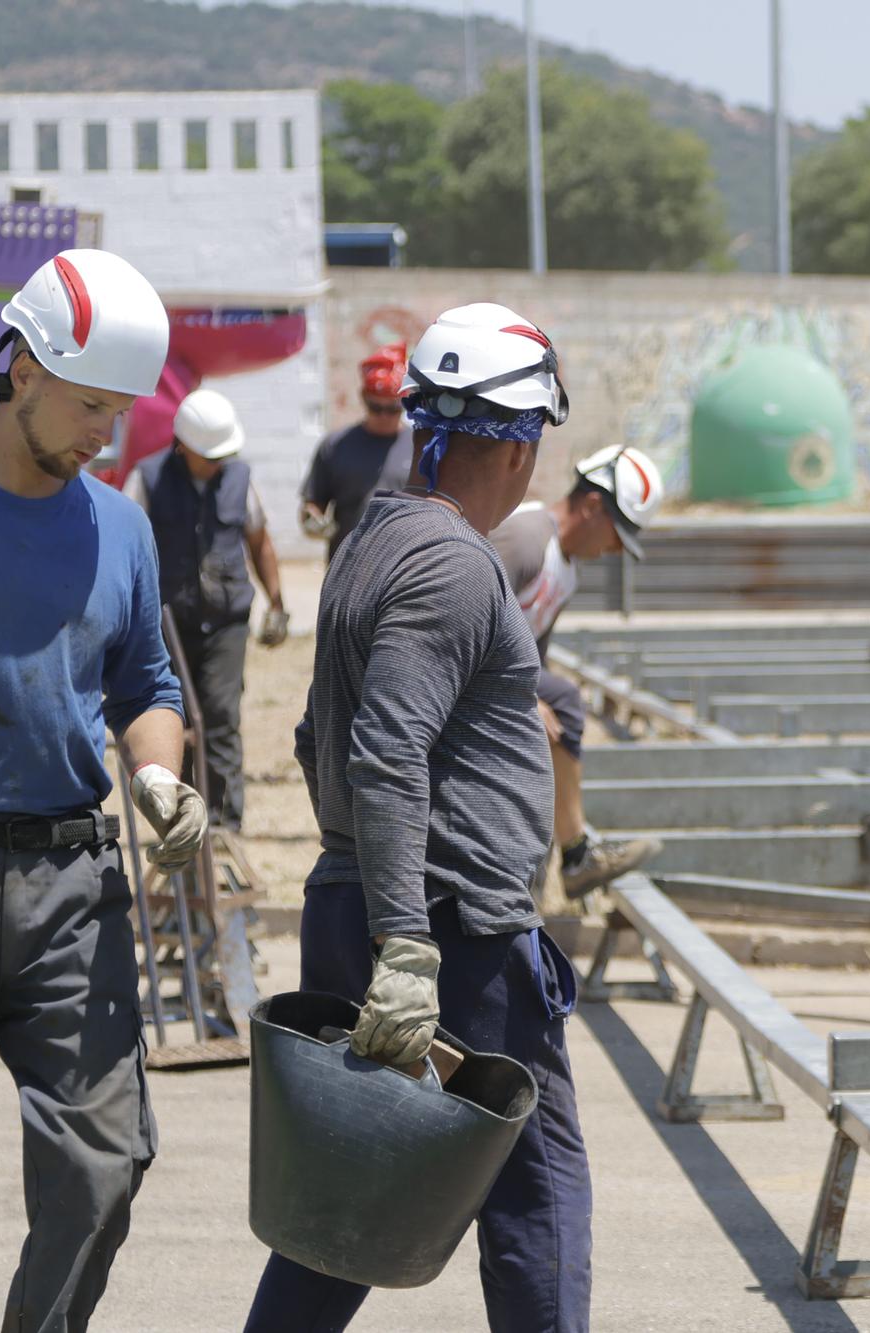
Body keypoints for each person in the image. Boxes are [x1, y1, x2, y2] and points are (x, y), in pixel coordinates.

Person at [245, 303, 591, 1332]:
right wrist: (406, 944)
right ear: (519, 439)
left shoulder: (371, 537)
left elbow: (319, 736)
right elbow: (387, 751)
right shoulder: (450, 563)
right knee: (536, 1187)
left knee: (357, 1195)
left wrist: (361, 885)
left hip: (375, 902)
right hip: (451, 936)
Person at [0, 249, 208, 1331]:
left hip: (68, 885)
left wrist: (156, 773)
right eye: (91, 405)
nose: (109, 432)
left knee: (103, 1164)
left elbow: (146, 683)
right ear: (23, 369)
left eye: (122, 410)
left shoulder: (123, 527)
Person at [489, 445, 666, 897]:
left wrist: (529, 695)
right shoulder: (526, 542)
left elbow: (532, 657)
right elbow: (461, 622)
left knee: (558, 704)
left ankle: (566, 857)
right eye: (615, 536)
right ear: (591, 506)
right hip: (462, 683)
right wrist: (524, 699)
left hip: (494, 687)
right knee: (562, 701)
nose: (611, 552)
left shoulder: (565, 575)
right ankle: (575, 855)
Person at [123, 387, 291, 831]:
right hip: (166, 624)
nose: (218, 463)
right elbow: (123, 549)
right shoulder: (148, 478)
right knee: (172, 719)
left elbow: (260, 540)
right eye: (209, 455)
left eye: (223, 455)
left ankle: (223, 826)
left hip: (225, 624)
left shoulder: (239, 478)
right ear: (184, 445)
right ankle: (180, 822)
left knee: (220, 718)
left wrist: (277, 602)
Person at [297, 342, 414, 561]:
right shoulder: (336, 445)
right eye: (375, 408)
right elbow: (314, 502)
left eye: (392, 409)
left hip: (403, 565)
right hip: (347, 564)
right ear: (363, 398)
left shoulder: (421, 447)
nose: (383, 417)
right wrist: (312, 519)